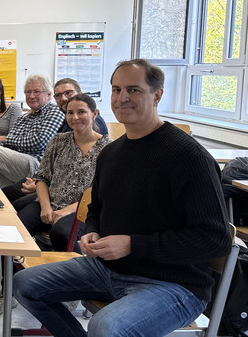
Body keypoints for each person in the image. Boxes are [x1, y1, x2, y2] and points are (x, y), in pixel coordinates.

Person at [14, 59, 231, 337]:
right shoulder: (111, 153)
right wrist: (92, 232)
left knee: (105, 327)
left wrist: (132, 245)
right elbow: (96, 208)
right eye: (116, 90)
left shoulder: (188, 157)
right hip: (107, 269)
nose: (122, 98)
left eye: (134, 90)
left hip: (174, 284)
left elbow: (215, 239)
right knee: (24, 284)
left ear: (157, 95)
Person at [16, 93, 111, 251]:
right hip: (51, 203)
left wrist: (66, 211)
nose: (75, 117)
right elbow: (42, 178)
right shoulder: (58, 141)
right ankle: (14, 272)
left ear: (94, 114)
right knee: (17, 227)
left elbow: (104, 191)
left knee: (61, 233)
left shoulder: (108, 148)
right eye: (70, 113)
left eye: (81, 112)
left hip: (83, 210)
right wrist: (46, 207)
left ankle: (64, 272)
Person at [3, 77, 107, 207]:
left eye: (68, 93)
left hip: (70, 197)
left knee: (15, 200)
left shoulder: (92, 124)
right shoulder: (64, 122)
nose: (63, 98)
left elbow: (84, 175)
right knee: (10, 195)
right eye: (58, 95)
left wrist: (41, 186)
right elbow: (53, 162)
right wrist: (39, 181)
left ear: (80, 93)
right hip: (48, 181)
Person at [0, 74, 64, 188]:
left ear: (48, 95)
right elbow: (10, 141)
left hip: (36, 165)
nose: (31, 96)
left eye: (37, 91)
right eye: (28, 92)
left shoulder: (54, 112)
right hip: (17, 162)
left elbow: (39, 142)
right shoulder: (25, 116)